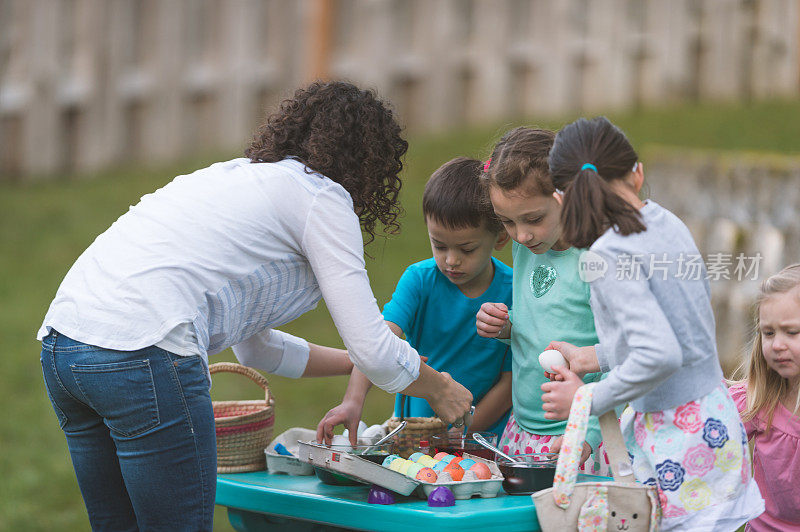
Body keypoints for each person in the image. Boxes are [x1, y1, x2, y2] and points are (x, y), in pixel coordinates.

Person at [37, 81, 472, 532]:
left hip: (64, 347)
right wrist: (438, 388)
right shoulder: (321, 196)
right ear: (371, 163)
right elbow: (377, 351)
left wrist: (352, 365)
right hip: (142, 351)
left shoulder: (236, 180)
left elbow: (257, 350)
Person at [541, 116, 764, 530]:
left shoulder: (607, 255)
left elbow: (659, 353)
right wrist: (592, 357)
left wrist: (588, 399)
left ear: (560, 198)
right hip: (712, 424)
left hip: (676, 441)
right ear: (637, 172)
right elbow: (676, 330)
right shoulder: (665, 222)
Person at [317, 157, 512, 443]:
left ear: (501, 237)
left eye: (467, 249)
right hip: (415, 436)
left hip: (488, 440)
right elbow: (378, 342)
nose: (451, 260)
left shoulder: (513, 290)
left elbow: (510, 382)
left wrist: (464, 430)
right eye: (439, 245)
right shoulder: (419, 280)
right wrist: (352, 401)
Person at [475, 127, 609, 475]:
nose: (520, 235)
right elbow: (543, 318)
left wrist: (588, 432)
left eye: (533, 219)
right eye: (507, 222)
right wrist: (507, 327)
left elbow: (625, 356)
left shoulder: (597, 259)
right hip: (523, 430)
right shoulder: (528, 246)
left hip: (581, 436)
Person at [728, 263, 800, 531]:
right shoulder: (757, 399)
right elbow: (707, 436)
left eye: (791, 332)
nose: (777, 344)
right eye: (768, 333)